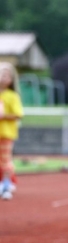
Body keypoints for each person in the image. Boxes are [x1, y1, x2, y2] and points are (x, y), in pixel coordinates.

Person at [0, 62, 24, 201]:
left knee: (5, 160)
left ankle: (7, 184)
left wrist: (4, 116)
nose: (3, 78)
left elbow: (18, 114)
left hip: (6, 134)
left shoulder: (12, 96)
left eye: (6, 75)